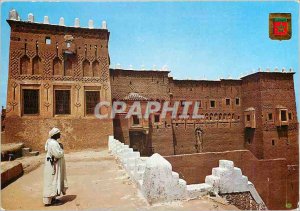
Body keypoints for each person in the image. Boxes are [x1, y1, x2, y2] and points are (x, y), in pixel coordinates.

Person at [43, 127, 68, 206]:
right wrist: (62, 148)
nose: (60, 134)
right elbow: (58, 154)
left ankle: (52, 199)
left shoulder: (51, 141)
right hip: (53, 166)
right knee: (52, 181)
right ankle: (51, 201)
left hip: (53, 165)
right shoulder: (53, 143)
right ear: (55, 135)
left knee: (52, 181)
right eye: (59, 133)